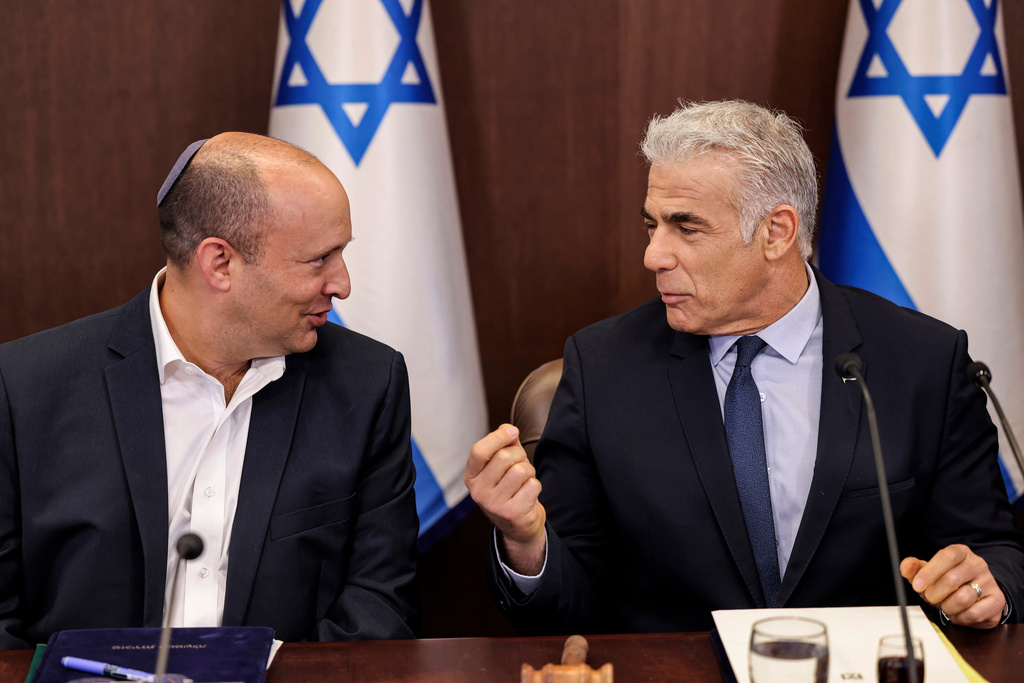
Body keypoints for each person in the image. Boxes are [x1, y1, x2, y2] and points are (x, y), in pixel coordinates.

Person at [466, 100, 1024, 634]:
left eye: (686, 227)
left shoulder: (922, 360)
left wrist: (985, 589)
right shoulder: (603, 368)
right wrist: (526, 543)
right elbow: (570, 609)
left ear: (776, 232)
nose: (654, 255)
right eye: (651, 225)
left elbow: (992, 551)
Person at [0, 133, 419, 649]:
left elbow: (377, 602)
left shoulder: (368, 385)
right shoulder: (24, 388)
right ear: (219, 263)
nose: (342, 283)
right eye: (319, 260)